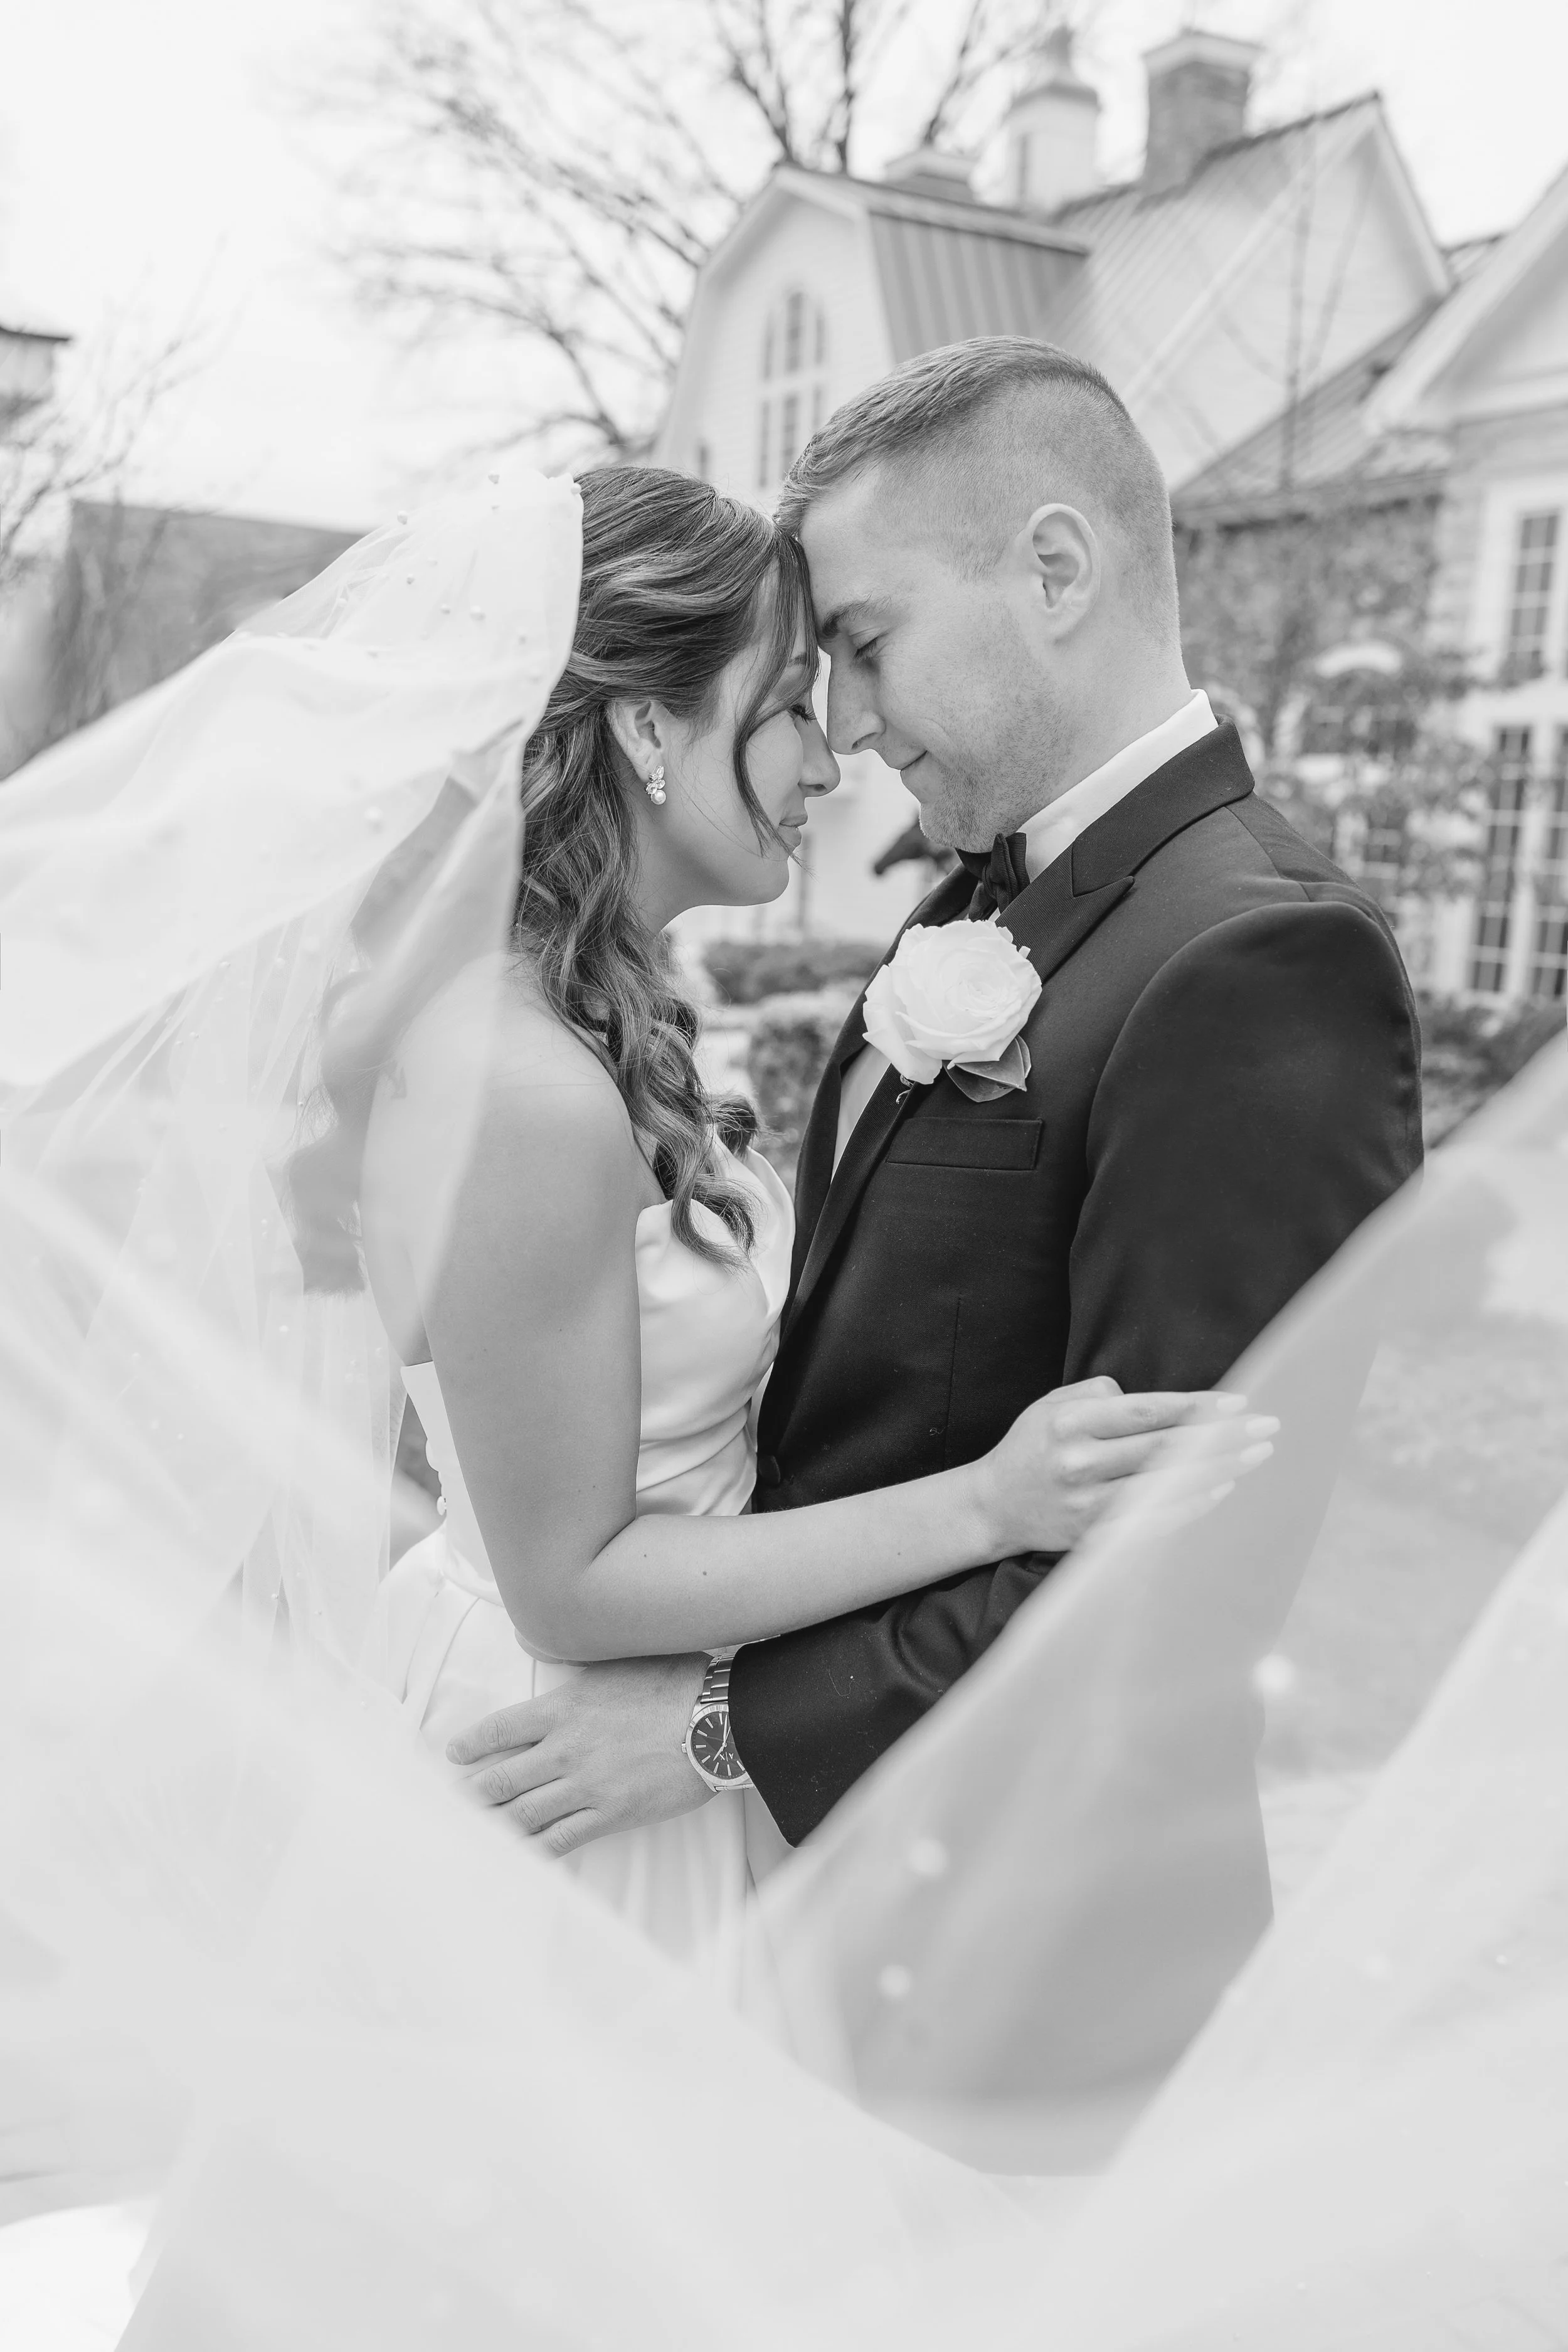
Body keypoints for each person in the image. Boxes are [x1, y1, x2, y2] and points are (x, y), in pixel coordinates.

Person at [453, 339, 1424, 1966]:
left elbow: (1177, 1574)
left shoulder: (1256, 958)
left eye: (861, 641)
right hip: (820, 1907)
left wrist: (724, 1727)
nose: (843, 723)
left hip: (1014, 1958)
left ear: (1052, 567)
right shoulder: (983, 895)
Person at [334, 462, 1249, 1981]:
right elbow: (572, 1579)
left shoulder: (595, 1029)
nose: (831, 765)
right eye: (787, 705)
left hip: (649, 1737)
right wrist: (988, 1509)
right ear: (643, 727)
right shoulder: (523, 1082)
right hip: (553, 1760)